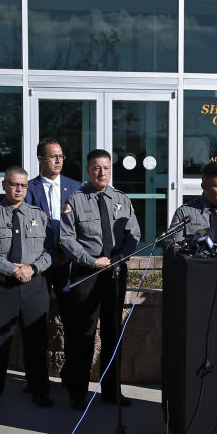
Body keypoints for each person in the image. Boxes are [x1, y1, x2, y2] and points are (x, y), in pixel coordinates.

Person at [59, 149, 141, 410]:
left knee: (112, 333)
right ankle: (78, 393)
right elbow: (66, 238)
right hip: (88, 272)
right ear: (87, 170)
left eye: (106, 168)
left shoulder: (121, 199)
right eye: (96, 168)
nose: (102, 172)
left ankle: (111, 391)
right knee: (82, 334)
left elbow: (134, 234)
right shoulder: (75, 199)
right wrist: (91, 260)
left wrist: (121, 257)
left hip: (115, 273)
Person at [0, 166, 54, 410]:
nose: (19, 189)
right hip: (2, 287)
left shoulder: (39, 216)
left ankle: (39, 391)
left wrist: (32, 268)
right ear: (4, 185)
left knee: (37, 342)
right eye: (14, 184)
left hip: (34, 286)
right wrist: (13, 269)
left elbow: (49, 250)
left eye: (23, 185)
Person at [25, 138, 81, 304]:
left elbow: (81, 225)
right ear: (40, 159)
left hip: (68, 262)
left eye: (61, 156)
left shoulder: (76, 188)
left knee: (71, 316)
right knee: (37, 314)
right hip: (38, 263)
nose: (58, 161)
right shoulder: (28, 189)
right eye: (53, 156)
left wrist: (69, 253)